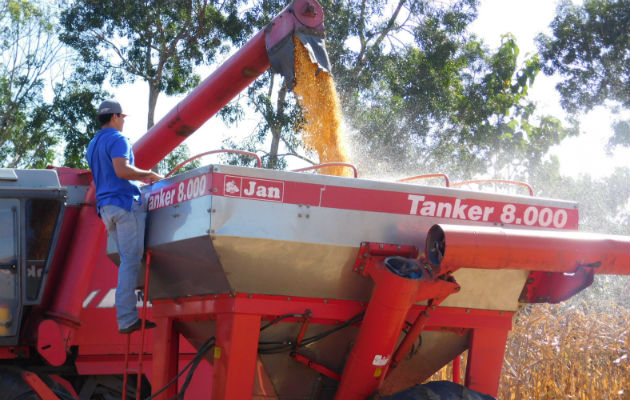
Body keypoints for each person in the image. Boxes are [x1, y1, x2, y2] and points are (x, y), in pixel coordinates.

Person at [86, 99, 163, 334]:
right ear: (115, 117)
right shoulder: (117, 139)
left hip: (106, 208)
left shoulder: (93, 143)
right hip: (124, 204)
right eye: (122, 118)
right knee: (130, 262)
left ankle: (127, 315)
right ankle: (127, 318)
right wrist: (149, 174)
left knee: (126, 263)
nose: (123, 122)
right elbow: (122, 170)